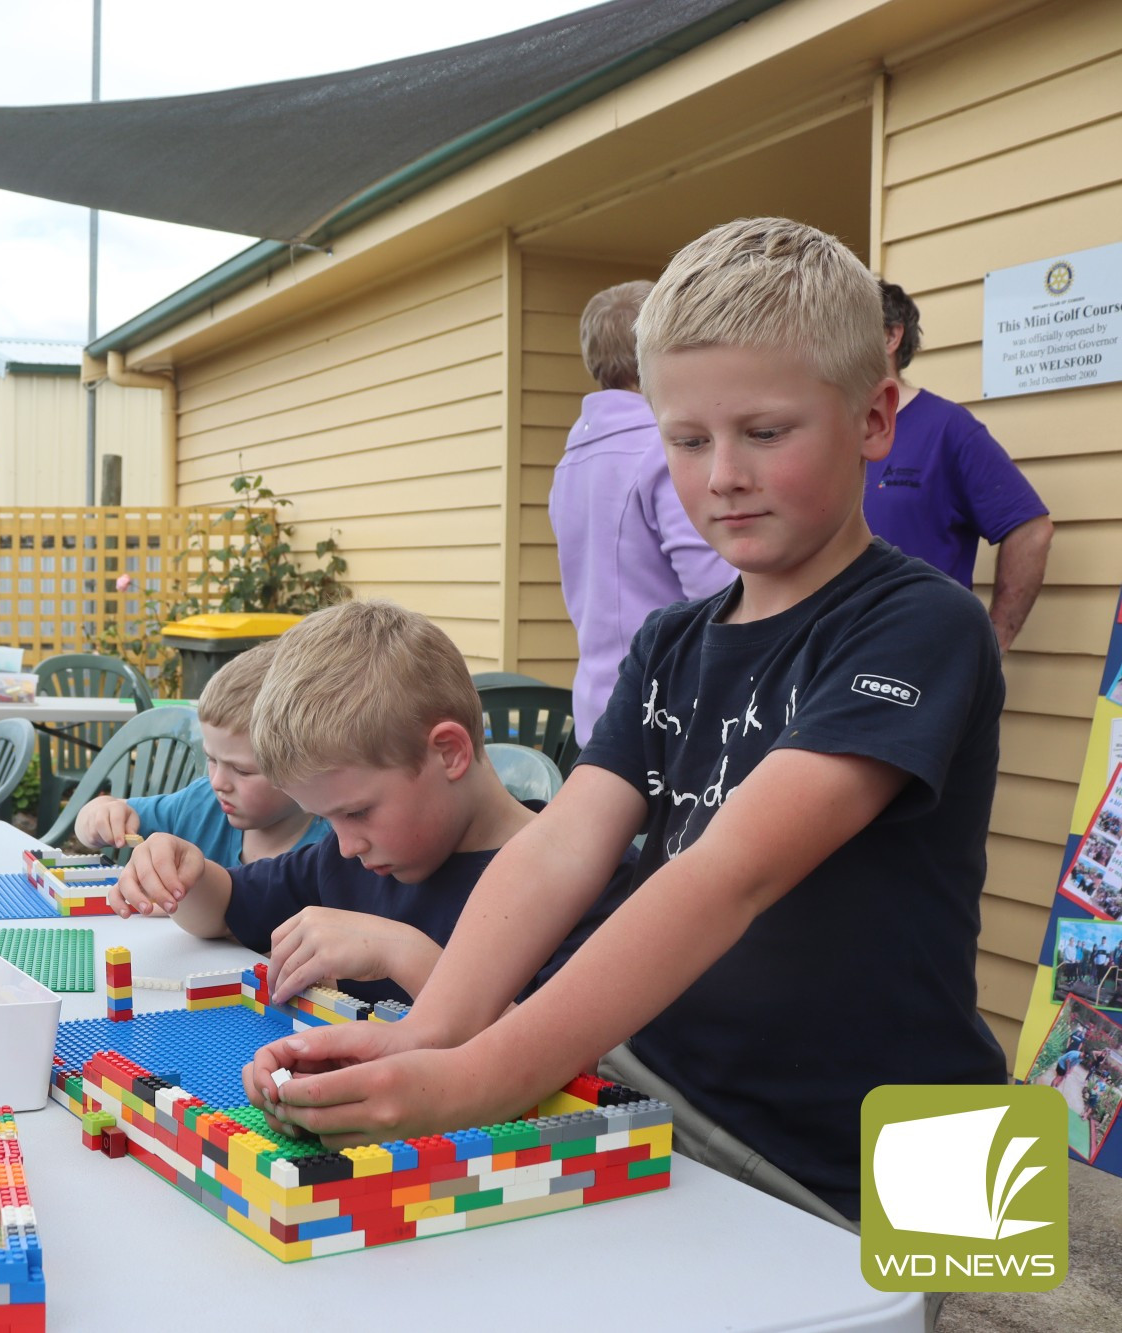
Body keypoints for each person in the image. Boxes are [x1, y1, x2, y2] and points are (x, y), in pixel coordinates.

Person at [247, 218, 1007, 1228]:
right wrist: (430, 1032)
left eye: (763, 432)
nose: (719, 474)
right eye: (685, 440)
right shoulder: (669, 640)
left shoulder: (925, 622)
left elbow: (730, 871)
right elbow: (561, 843)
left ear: (872, 418)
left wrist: (481, 1075)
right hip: (689, 1093)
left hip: (912, 1139)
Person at [112, 601, 631, 1007]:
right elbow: (225, 911)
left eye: (357, 812)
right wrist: (186, 874)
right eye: (325, 818)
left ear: (448, 752)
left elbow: (562, 1067)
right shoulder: (346, 862)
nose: (344, 842)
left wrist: (402, 954)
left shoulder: (586, 882)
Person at [551, 280, 734, 746]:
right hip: (668, 711)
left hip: (596, 705)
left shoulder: (572, 460)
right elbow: (716, 588)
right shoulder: (659, 449)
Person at [865, 281, 1052, 652]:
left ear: (890, 336)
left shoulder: (948, 427)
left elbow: (1032, 531)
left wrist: (994, 641)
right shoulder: (830, 430)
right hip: (833, 659)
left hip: (925, 661)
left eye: (847, 327)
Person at [74, 642, 327, 869]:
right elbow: (94, 819)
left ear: (307, 765)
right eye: (212, 759)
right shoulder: (201, 803)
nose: (218, 782)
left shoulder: (337, 847)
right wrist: (100, 816)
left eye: (242, 770)